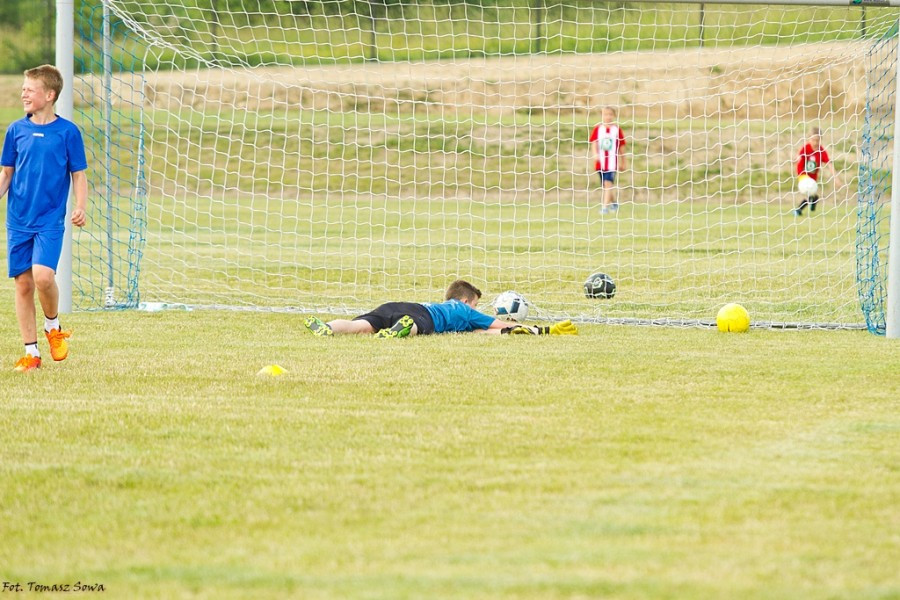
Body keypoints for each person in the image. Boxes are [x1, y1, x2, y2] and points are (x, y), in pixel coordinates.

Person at [0, 65, 88, 373]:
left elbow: (79, 175)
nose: (24, 92)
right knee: (23, 285)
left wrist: (80, 206)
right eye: (23, 88)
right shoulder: (15, 131)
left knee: (42, 277)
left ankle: (53, 327)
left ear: (49, 95)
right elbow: (6, 174)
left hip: (50, 220)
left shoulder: (67, 132)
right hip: (18, 220)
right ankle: (32, 354)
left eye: (31, 89)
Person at [303, 279, 577, 338]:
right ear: (467, 301)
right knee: (416, 326)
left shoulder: (445, 306)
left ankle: (326, 327)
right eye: (477, 305)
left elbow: (486, 334)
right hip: (420, 316)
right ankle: (400, 332)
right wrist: (544, 330)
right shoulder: (463, 311)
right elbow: (499, 326)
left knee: (361, 326)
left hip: (397, 305)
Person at [793, 126, 840, 216]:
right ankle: (798, 209)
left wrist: (836, 178)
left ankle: (813, 200)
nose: (815, 142)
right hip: (802, 174)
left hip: (813, 177)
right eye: (813, 140)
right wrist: (795, 160)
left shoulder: (821, 151)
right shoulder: (805, 148)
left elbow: (829, 164)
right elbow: (798, 157)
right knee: (807, 190)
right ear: (809, 139)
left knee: (810, 194)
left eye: (817, 140)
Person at [589, 106, 627, 215]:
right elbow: (594, 143)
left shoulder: (616, 130)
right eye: (605, 114)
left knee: (607, 184)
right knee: (606, 186)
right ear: (602, 116)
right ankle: (614, 203)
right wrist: (595, 154)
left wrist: (623, 162)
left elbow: (621, 147)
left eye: (610, 114)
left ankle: (604, 208)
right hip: (600, 163)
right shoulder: (598, 129)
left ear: (614, 116)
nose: (608, 117)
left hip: (611, 163)